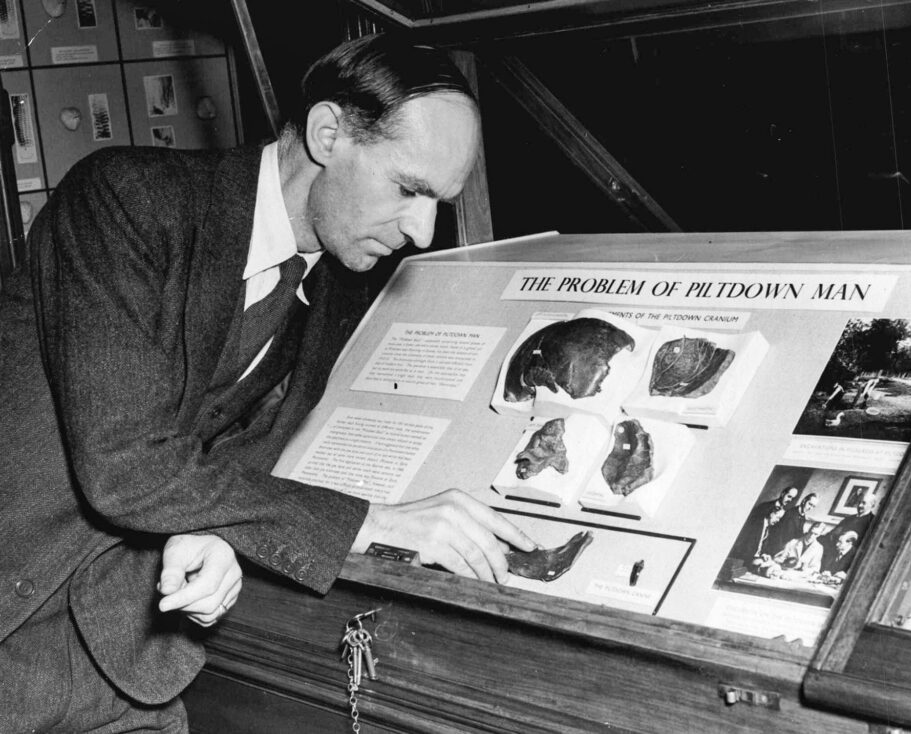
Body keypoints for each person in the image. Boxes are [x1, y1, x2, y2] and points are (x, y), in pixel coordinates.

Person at [0, 34, 535, 733]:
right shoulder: (126, 201)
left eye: (439, 203)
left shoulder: (344, 292)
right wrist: (374, 522)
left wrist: (221, 537)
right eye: (409, 190)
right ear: (327, 133)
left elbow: (249, 461)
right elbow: (123, 464)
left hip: (121, 662)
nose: (421, 231)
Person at [760, 521, 828, 579]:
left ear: (820, 534)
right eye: (811, 532)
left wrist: (802, 567)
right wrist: (786, 563)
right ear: (809, 529)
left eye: (816, 534)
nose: (811, 536)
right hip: (783, 574)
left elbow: (815, 569)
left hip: (800, 578)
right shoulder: (793, 542)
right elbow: (779, 558)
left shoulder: (819, 548)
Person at [764, 492, 818, 556]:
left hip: (787, 549)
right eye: (810, 504)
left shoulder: (803, 517)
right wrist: (781, 551)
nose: (810, 508)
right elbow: (777, 533)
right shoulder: (790, 513)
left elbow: (797, 535)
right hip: (776, 549)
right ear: (804, 501)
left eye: (813, 506)